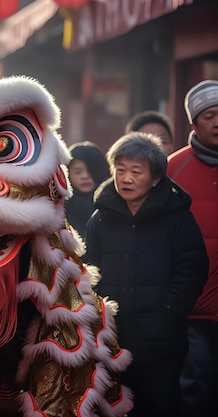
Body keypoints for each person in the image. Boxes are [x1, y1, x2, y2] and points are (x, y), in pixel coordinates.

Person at [84, 132, 208, 417]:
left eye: (136, 172)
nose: (126, 178)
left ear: (155, 179)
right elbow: (88, 268)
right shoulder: (100, 218)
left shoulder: (176, 216)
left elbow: (192, 267)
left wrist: (170, 310)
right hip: (112, 338)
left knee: (160, 406)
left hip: (162, 339)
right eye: (120, 170)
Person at [167, 79, 218, 417]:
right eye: (209, 115)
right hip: (194, 308)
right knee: (197, 388)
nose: (217, 122)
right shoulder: (173, 168)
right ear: (193, 124)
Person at [65, 141, 109, 238]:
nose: (85, 176)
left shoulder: (112, 202)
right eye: (78, 172)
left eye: (91, 170)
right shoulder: (59, 205)